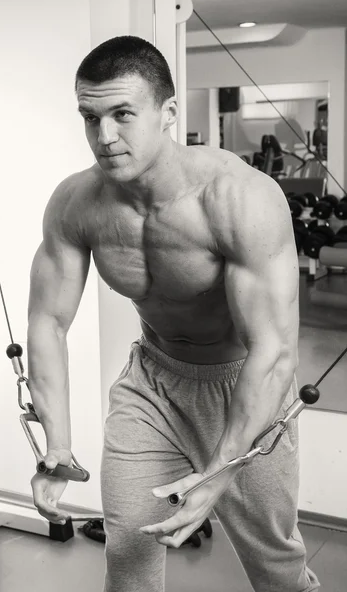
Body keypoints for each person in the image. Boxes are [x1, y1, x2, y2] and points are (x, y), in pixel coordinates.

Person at [27, 36, 320, 592]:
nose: (103, 137)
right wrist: (57, 444)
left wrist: (223, 468)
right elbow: (49, 322)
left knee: (275, 567)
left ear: (167, 113)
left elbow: (274, 350)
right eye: (90, 118)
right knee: (130, 551)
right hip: (152, 384)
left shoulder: (239, 199)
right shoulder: (76, 204)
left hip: (243, 386)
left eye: (121, 115)